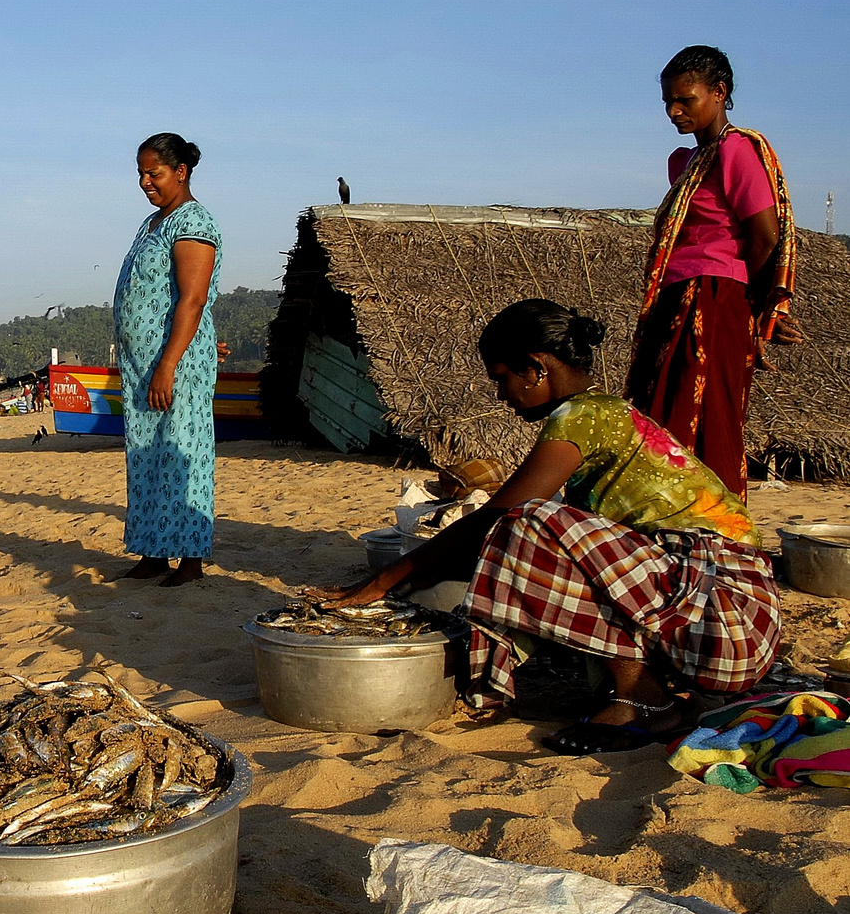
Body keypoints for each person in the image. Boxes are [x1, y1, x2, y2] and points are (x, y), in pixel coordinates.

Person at [325, 299, 779, 756]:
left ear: (536, 368)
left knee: (529, 524)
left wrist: (388, 577)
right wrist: (420, 578)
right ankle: (640, 691)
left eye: (502, 378)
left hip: (727, 618)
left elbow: (496, 518)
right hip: (711, 620)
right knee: (531, 539)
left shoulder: (584, 415)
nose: (501, 394)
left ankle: (643, 699)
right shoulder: (606, 415)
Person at [627, 45, 801, 498]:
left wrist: (764, 306)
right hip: (675, 294)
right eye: (668, 101)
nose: (673, 111)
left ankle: (716, 531)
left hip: (717, 295)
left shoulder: (737, 150)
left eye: (686, 99)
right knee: (659, 412)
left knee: (709, 417)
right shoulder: (682, 163)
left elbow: (764, 235)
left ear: (719, 92)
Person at [112, 132, 222, 587]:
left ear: (181, 171)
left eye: (153, 173)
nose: (144, 181)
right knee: (146, 456)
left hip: (173, 363)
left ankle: (190, 559)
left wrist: (169, 364)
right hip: (144, 365)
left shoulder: (193, 221)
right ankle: (154, 552)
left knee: (184, 453)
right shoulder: (153, 222)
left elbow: (193, 300)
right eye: (140, 172)